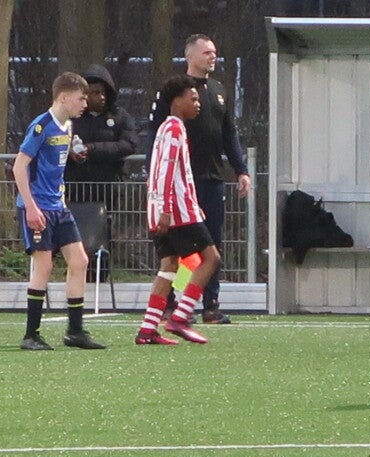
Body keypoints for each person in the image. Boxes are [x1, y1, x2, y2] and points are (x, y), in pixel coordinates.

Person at [148, 34, 252, 324]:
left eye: (214, 52)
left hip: (211, 179)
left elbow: (229, 133)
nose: (212, 56)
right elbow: (155, 138)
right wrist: (152, 176)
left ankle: (210, 304)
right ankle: (174, 305)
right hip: (180, 185)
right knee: (180, 248)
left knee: (212, 243)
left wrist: (241, 169)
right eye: (206, 52)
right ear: (190, 56)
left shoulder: (218, 90)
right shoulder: (174, 92)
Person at [13, 72, 106, 351]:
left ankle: (75, 331)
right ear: (64, 98)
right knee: (44, 266)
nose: (85, 104)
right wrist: (31, 207)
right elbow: (19, 167)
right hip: (38, 206)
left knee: (79, 260)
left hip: (58, 205)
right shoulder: (42, 126)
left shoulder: (67, 126)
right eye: (80, 99)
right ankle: (31, 334)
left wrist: (74, 155)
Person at [138, 75, 220, 346]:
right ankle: (181, 317)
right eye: (193, 99)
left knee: (169, 265)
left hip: (161, 210)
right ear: (176, 101)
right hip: (177, 212)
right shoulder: (175, 128)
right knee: (211, 258)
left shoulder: (164, 128)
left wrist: (158, 208)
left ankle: (148, 329)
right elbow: (167, 170)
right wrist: (167, 208)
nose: (198, 104)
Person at [66, 64, 143, 277]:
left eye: (102, 92)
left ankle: (101, 275)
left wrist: (92, 149)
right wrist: (70, 152)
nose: (100, 97)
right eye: (94, 93)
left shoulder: (119, 116)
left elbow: (128, 144)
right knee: (78, 233)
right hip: (78, 187)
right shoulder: (73, 117)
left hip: (108, 187)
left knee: (104, 231)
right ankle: (78, 275)